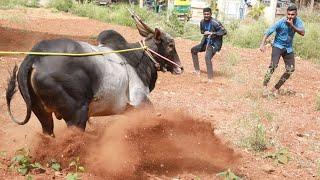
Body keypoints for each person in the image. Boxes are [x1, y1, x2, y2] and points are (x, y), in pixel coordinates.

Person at [260, 4, 304, 96]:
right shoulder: (281, 22)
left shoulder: (298, 22)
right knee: (273, 65)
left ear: (296, 14)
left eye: (292, 15)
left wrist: (292, 26)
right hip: (278, 46)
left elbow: (302, 32)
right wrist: (262, 44)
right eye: (288, 14)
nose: (290, 16)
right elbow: (268, 32)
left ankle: (275, 88)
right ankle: (264, 86)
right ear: (286, 14)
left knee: (290, 69)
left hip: (288, 48)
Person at [191, 7, 227, 82]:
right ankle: (197, 70)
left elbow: (224, 32)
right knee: (193, 50)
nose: (206, 15)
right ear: (203, 14)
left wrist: (212, 33)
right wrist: (205, 33)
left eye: (208, 14)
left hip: (214, 44)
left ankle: (210, 78)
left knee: (207, 57)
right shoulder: (202, 22)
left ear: (211, 14)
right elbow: (202, 31)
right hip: (205, 43)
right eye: (205, 14)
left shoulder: (215, 22)